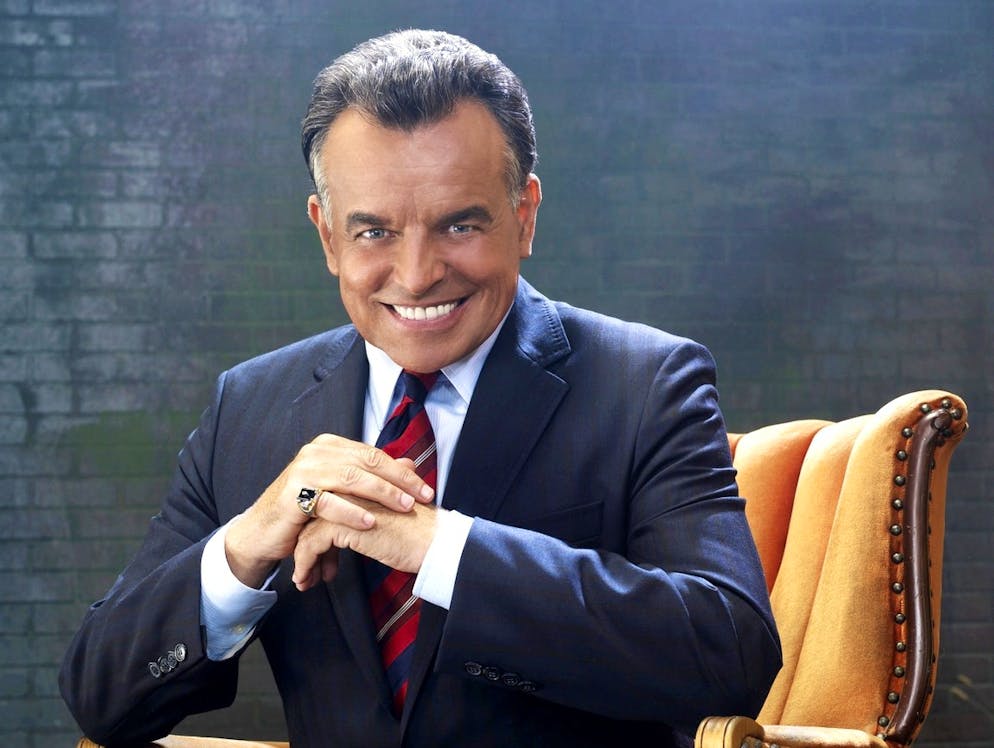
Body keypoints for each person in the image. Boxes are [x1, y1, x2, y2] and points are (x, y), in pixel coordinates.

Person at [60, 29, 781, 748]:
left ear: (524, 215)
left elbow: (732, 655)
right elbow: (101, 697)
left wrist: (445, 551)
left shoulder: (646, 384)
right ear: (327, 236)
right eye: (373, 232)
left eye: (459, 224)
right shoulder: (248, 409)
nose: (416, 275)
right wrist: (244, 548)